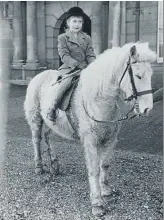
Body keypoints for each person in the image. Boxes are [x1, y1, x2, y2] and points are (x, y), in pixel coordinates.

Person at [46, 6, 96, 121]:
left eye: (80, 21)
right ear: (68, 22)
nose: (77, 24)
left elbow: (90, 53)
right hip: (69, 68)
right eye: (74, 21)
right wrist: (76, 64)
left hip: (86, 68)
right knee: (65, 83)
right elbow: (64, 55)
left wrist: (93, 64)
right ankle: (52, 108)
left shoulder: (87, 38)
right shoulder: (62, 38)